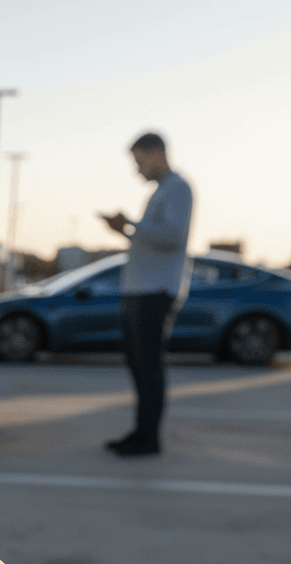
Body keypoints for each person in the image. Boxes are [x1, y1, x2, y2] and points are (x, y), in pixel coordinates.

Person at [100, 133, 193, 456]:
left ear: (155, 155)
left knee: (149, 365)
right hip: (141, 290)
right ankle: (141, 432)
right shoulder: (162, 192)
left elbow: (173, 237)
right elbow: (153, 240)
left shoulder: (178, 189)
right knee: (138, 364)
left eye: (139, 161)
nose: (137, 170)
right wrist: (125, 230)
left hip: (155, 292)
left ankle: (149, 438)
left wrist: (132, 225)